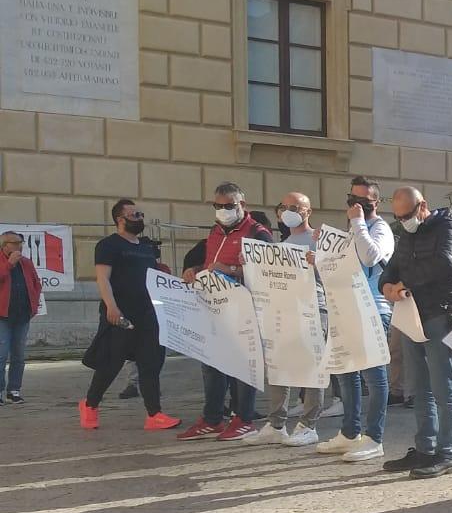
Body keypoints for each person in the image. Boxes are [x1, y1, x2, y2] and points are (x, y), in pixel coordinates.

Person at [379, 187, 452, 479]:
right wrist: (387, 288)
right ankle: (425, 447)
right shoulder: (406, 235)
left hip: (440, 313)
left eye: (408, 215)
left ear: (422, 206)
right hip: (412, 315)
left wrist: (404, 284)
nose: (404, 221)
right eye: (399, 217)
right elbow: (388, 270)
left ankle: (447, 452)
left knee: (443, 384)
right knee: (419, 386)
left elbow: (446, 262)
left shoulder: (447, 224)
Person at [176, 182, 273, 441]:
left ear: (243, 205)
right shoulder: (215, 231)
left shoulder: (258, 232)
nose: (222, 210)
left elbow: (267, 272)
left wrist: (229, 270)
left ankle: (244, 418)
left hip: (245, 308)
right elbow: (211, 262)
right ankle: (213, 418)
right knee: (211, 362)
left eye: (228, 206)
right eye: (217, 206)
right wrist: (196, 270)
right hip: (213, 305)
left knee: (243, 364)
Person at [78, 200, 182, 431]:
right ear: (120, 219)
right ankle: (90, 405)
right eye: (134, 214)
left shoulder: (146, 247)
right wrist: (111, 308)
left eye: (140, 214)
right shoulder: (108, 245)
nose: (139, 218)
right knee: (111, 363)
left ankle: (154, 414)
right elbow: (103, 278)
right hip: (121, 312)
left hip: (148, 313)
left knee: (151, 363)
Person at [318, 176, 393, 463]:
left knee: (374, 376)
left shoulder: (381, 229)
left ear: (374, 202)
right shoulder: (352, 230)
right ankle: (350, 432)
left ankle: (374, 438)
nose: (355, 206)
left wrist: (359, 223)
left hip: (373, 308)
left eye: (361, 201)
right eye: (351, 200)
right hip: (346, 308)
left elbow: (371, 257)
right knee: (346, 372)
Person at [246, 192, 325, 448]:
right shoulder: (281, 246)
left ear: (308, 212)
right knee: (278, 363)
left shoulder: (319, 240)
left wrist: (318, 264)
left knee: (311, 367)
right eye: (284, 207)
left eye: (296, 207)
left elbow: (336, 274)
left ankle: (308, 424)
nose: (289, 211)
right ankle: (276, 424)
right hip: (284, 310)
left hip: (314, 309)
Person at [0, 231, 42, 404]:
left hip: (22, 316)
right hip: (2, 316)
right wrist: (9, 265)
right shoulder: (4, 262)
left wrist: (33, 303)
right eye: (15, 242)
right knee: (1, 355)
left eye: (21, 242)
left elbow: (36, 283)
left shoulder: (26, 263)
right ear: (4, 245)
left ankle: (14, 390)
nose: (20, 246)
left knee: (18, 356)